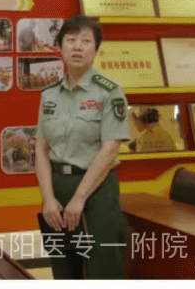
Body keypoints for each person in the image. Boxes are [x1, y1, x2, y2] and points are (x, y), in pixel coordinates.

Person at [35, 16, 129, 278]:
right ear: (60, 47)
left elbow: (110, 149)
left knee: (102, 269)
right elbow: (41, 149)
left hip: (96, 191)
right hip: (56, 190)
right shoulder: (49, 94)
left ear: (96, 50)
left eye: (86, 41)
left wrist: (79, 197)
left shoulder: (110, 91)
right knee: (64, 269)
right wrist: (47, 198)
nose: (77, 47)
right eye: (71, 40)